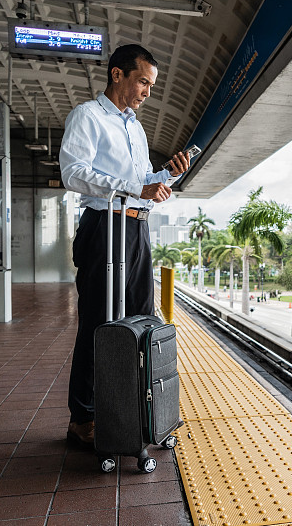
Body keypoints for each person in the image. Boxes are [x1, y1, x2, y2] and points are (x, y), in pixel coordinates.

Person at [60, 44, 191, 447]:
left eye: (151, 86)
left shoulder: (135, 127)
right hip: (105, 226)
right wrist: (135, 187)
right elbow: (73, 172)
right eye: (143, 82)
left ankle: (134, 411)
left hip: (136, 228)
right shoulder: (88, 116)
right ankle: (83, 418)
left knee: (141, 318)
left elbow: (142, 182)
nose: (147, 93)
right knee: (99, 323)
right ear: (117, 74)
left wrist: (166, 176)